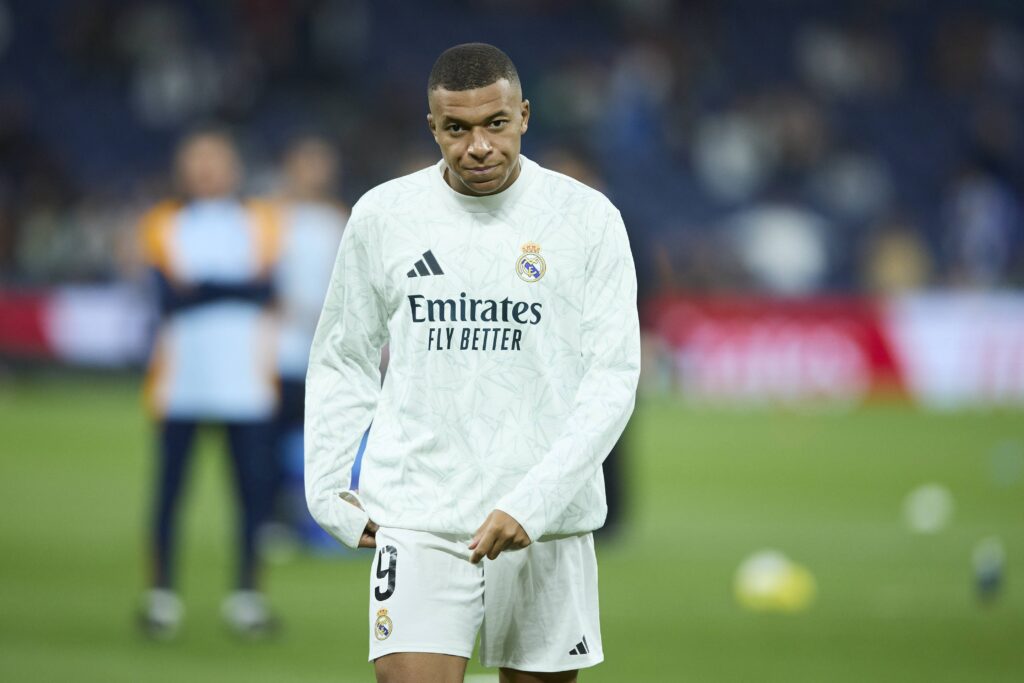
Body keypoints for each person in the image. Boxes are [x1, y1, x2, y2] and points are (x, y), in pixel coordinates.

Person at [305, 43, 640, 682]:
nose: (478, 146)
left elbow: (613, 377)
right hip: (420, 511)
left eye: (496, 124)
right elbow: (343, 357)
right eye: (456, 129)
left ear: (525, 116)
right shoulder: (383, 216)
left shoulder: (588, 220)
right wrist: (328, 492)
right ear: (433, 127)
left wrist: (534, 504)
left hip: (548, 521)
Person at [138, 128, 280, 638]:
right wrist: (235, 288)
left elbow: (267, 289)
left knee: (253, 496)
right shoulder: (163, 222)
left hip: (247, 382)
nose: (205, 169)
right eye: (196, 159)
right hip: (181, 382)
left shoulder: (261, 220)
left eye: (214, 159)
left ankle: (247, 596)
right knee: (170, 493)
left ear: (234, 166)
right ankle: (161, 595)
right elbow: (169, 297)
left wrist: (203, 287)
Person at [271, 135, 348, 549]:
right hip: (280, 349)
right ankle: (276, 518)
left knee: (320, 440)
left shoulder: (338, 219)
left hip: (325, 348)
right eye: (307, 163)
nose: (314, 172)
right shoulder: (272, 218)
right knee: (275, 438)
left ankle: (316, 519)